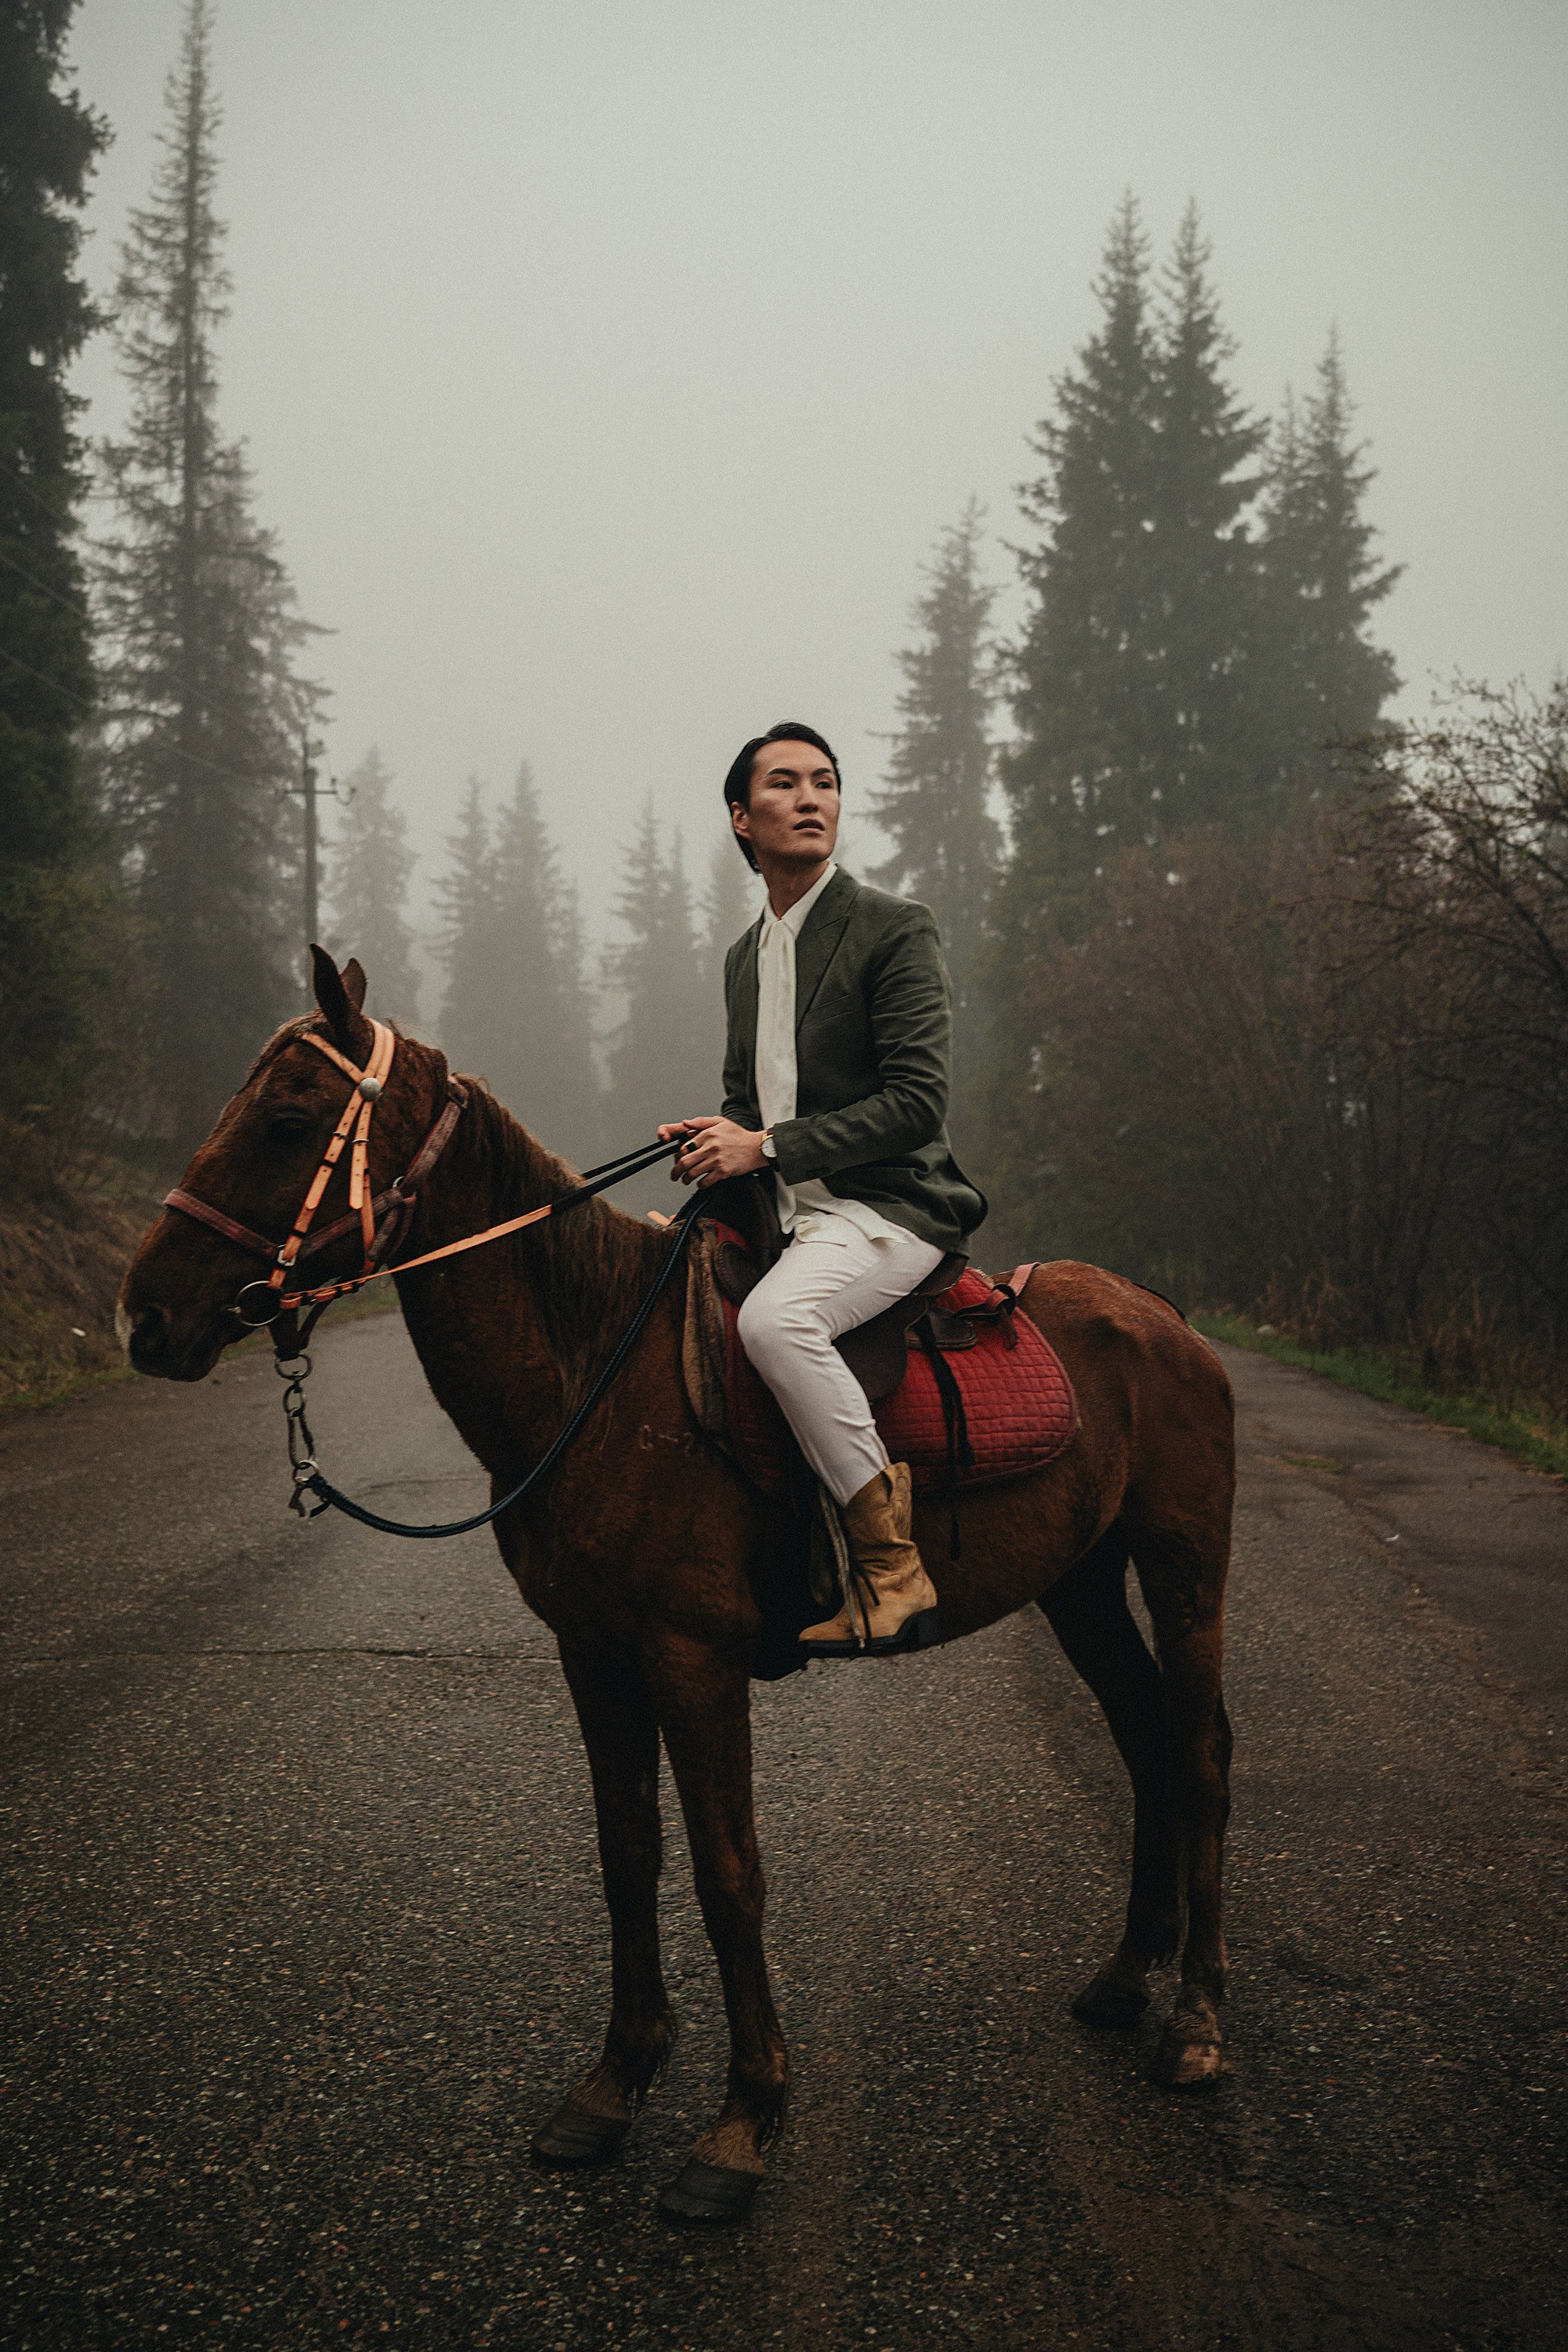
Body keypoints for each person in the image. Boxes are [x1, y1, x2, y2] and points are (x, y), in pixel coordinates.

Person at [659, 722, 986, 1653]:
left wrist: (761, 1147)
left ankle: (891, 1572)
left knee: (774, 1324)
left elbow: (917, 1104)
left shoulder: (892, 927)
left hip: (891, 1208)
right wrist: (713, 1142)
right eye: (785, 784)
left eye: (826, 782)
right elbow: (747, 1103)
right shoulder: (741, 957)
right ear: (739, 818)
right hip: (791, 1218)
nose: (811, 798)